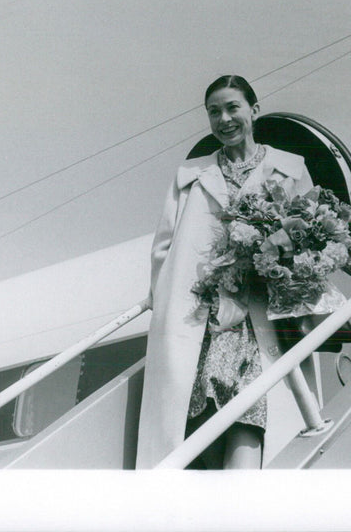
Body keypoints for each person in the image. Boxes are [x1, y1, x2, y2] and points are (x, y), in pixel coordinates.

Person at [135, 75, 318, 470]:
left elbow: (311, 233)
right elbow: (163, 248)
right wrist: (159, 297)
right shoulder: (190, 175)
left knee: (254, 400)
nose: (224, 118)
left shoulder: (289, 168)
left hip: (263, 313)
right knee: (201, 405)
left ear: (254, 110)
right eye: (214, 112)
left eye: (233, 107)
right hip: (204, 313)